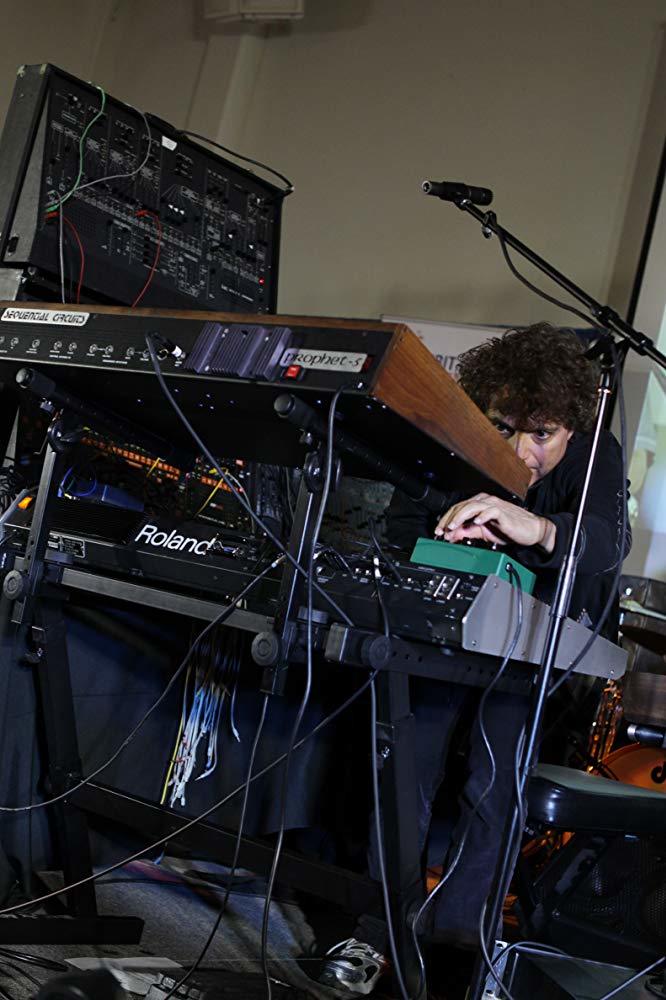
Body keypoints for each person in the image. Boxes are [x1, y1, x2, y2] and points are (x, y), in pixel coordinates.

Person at [315, 323, 631, 997]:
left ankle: (461, 945)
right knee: (406, 765)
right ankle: (375, 933)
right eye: (506, 428)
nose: (522, 450)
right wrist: (438, 540)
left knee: (495, 787)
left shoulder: (594, 450)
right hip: (443, 628)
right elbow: (403, 525)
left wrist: (537, 529)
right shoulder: (459, 429)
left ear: (572, 424)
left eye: (541, 433)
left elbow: (605, 544)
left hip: (529, 641)